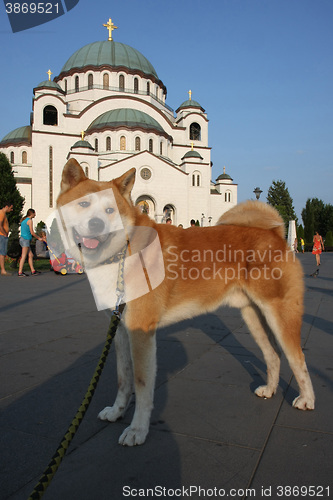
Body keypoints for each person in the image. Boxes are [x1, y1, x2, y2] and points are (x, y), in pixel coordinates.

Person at [18, 209, 42, 277]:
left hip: (23, 239)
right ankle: (20, 272)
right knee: (24, 256)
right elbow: (32, 232)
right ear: (32, 213)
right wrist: (39, 238)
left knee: (30, 255)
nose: (35, 215)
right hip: (25, 240)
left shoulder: (24, 220)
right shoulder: (29, 221)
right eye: (34, 213)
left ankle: (33, 271)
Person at [0, 201, 13, 276]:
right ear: (6, 207)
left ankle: (3, 269)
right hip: (2, 236)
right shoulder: (1, 213)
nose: (11, 210)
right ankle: (3, 270)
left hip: (2, 235)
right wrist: (4, 233)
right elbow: (0, 225)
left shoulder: (3, 213)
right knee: (2, 253)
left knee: (2, 253)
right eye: (11, 208)